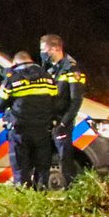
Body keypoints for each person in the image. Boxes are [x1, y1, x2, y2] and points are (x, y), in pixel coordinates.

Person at [0, 52, 59, 189]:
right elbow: (54, 102)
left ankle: (24, 199)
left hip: (20, 131)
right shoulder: (47, 77)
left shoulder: (12, 79)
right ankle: (41, 198)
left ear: (15, 63)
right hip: (42, 130)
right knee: (42, 169)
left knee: (21, 170)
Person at [40, 33, 87, 187]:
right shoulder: (50, 67)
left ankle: (69, 191)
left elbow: (76, 100)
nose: (43, 53)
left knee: (64, 159)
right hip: (48, 120)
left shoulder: (72, 69)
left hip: (62, 121)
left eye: (44, 50)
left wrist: (63, 123)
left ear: (55, 48)